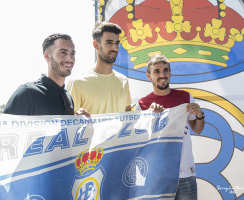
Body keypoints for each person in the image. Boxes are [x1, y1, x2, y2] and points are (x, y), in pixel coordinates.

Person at [134, 54, 205, 200]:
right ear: (149, 76)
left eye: (166, 70)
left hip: (185, 173)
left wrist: (200, 115)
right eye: (157, 71)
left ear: (170, 73)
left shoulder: (185, 97)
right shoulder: (142, 105)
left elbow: (197, 129)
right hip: (157, 175)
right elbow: (137, 143)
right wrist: (150, 117)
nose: (162, 75)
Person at [4, 33, 89, 117]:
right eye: (63, 52)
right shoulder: (27, 93)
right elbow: (4, 128)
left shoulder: (68, 97)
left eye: (72, 54)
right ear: (47, 56)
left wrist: (77, 121)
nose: (69, 59)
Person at [66, 22, 132, 114]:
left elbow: (129, 119)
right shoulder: (77, 82)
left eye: (117, 43)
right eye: (109, 42)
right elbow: (69, 122)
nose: (115, 48)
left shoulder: (123, 81)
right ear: (96, 45)